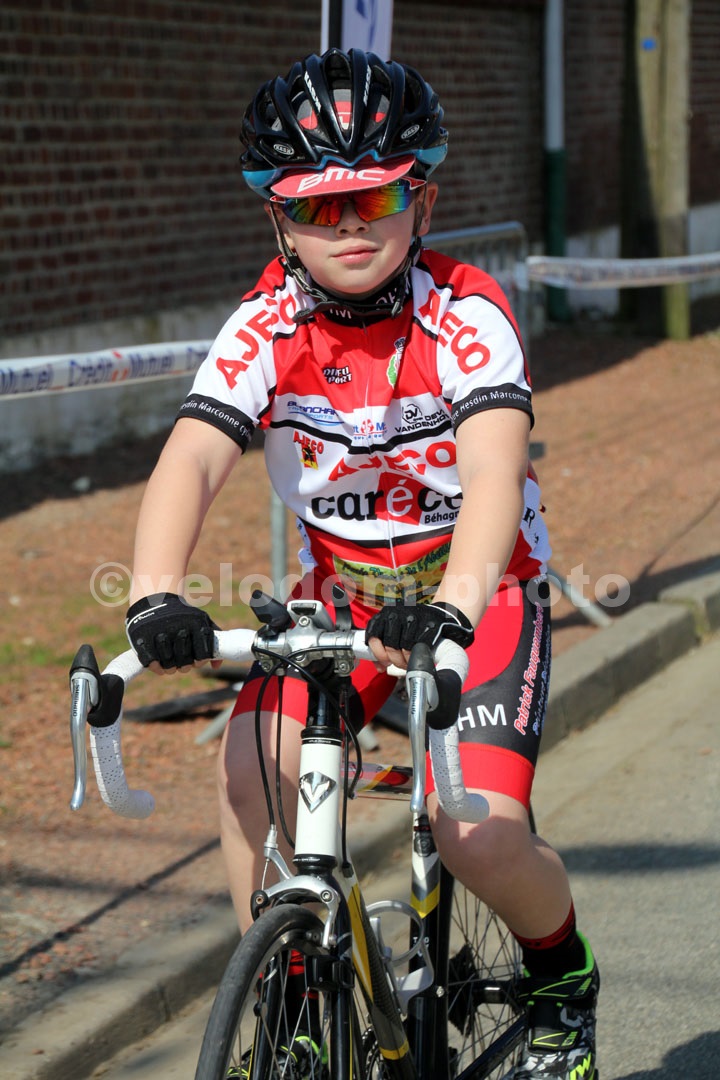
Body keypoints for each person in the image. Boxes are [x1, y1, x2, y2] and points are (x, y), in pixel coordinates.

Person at [124, 49, 599, 1080]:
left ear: (422, 202)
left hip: (482, 591)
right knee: (252, 775)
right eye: (316, 206)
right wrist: (156, 592)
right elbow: (193, 457)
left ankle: (562, 983)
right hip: (342, 597)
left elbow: (492, 474)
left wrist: (455, 609)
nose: (347, 225)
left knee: (475, 834)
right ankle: (290, 992)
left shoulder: (465, 313)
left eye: (374, 196)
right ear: (278, 221)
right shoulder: (264, 324)